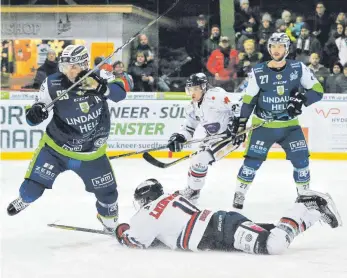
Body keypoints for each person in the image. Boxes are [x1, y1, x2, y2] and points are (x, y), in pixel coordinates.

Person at [6, 45, 127, 233]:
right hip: (56, 150)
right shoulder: (53, 83)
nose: (68, 71)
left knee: (109, 196)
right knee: (31, 191)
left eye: (73, 66)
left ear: (85, 64)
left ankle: (108, 220)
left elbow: (121, 93)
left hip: (91, 154)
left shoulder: (100, 76)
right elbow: (32, 117)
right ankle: (24, 200)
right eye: (64, 66)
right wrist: (35, 113)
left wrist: (101, 88)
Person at [115, 178, 341, 253]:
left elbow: (135, 242)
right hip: (220, 224)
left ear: (144, 199)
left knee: (274, 246)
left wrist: (121, 229)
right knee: (277, 231)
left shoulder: (146, 214)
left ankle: (303, 203)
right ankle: (312, 214)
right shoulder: (171, 197)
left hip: (219, 230)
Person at [230, 33, 324, 209]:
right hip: (263, 126)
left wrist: (301, 99)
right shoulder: (258, 71)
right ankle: (240, 193)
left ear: (287, 48)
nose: (276, 50)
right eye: (273, 46)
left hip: (290, 127)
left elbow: (318, 90)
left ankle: (304, 196)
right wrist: (241, 122)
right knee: (251, 162)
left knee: (302, 161)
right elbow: (249, 99)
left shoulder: (298, 68)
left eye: (280, 46)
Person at [166, 73, 240, 202]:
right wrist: (180, 137)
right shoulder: (192, 106)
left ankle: (193, 192)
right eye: (190, 89)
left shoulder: (215, 96)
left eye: (196, 88)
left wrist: (235, 125)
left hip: (231, 137)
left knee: (200, 160)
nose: (192, 92)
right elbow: (189, 128)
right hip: (213, 137)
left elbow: (237, 106)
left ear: (204, 87)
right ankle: (191, 189)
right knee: (195, 160)